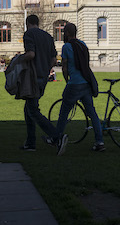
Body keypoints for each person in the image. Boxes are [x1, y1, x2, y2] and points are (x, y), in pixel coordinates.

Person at [54, 22, 104, 152]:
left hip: (74, 83)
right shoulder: (83, 44)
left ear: (68, 33)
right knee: (92, 113)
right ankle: (99, 141)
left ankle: (56, 138)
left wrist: (67, 80)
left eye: (65, 31)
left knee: (64, 112)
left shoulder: (66, 47)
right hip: (86, 83)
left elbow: (64, 67)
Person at [19, 14, 64, 153]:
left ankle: (57, 136)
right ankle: (31, 143)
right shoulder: (48, 37)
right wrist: (45, 70)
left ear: (28, 23)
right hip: (43, 77)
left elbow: (31, 54)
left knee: (33, 110)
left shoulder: (29, 34)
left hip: (32, 77)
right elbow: (53, 60)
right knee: (29, 109)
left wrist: (19, 59)